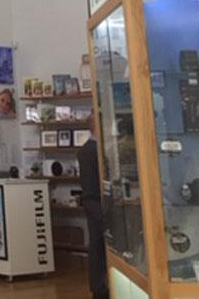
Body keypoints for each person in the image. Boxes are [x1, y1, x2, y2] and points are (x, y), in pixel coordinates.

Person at [78, 122, 109, 299]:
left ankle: (99, 285)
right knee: (97, 245)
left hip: (92, 202)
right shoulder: (91, 150)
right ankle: (99, 286)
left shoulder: (86, 149)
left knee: (96, 244)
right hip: (95, 202)